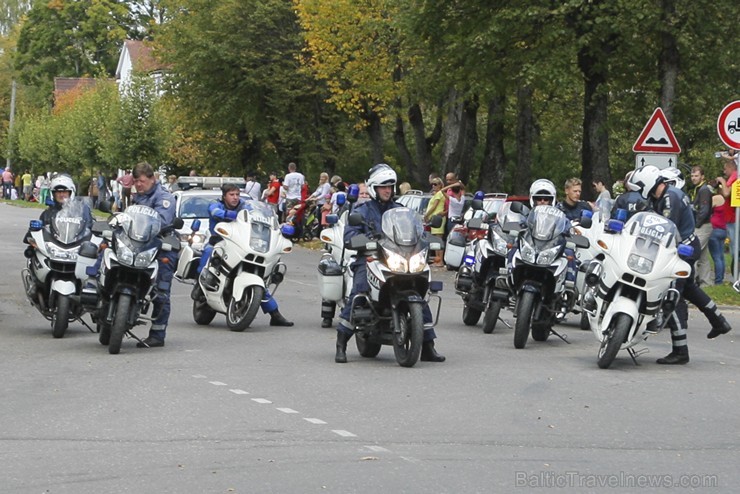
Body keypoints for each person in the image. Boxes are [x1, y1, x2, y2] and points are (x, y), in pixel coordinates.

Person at [334, 163, 445, 364]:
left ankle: (428, 346)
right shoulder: (363, 210)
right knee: (359, 292)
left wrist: (425, 239)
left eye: (390, 186)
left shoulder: (400, 210)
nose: (388, 190)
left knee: (420, 295)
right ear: (374, 188)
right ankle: (341, 343)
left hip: (400, 259)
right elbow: (350, 233)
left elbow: (416, 230)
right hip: (370, 258)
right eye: (383, 186)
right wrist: (361, 240)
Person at [627, 165, 732, 365]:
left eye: (640, 187)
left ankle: (680, 350)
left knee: (672, 294)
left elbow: (664, 227)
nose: (640, 192)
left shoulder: (670, 198)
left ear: (648, 183)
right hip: (680, 246)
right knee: (689, 288)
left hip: (681, 248)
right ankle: (718, 320)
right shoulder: (661, 196)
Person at [196, 184, 293, 327]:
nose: (235, 197)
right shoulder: (216, 204)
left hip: (241, 243)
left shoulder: (245, 206)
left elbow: (260, 217)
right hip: (220, 239)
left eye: (237, 194)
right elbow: (214, 211)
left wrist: (278, 226)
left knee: (262, 279)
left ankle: (275, 313)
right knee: (209, 252)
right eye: (231, 194)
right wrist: (226, 214)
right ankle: (199, 286)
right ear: (224, 196)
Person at [129, 162, 179, 348]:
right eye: (136, 181)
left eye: (142, 181)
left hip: (162, 243)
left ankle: (158, 334)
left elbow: (162, 221)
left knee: (161, 290)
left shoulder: (164, 197)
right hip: (140, 244)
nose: (139, 185)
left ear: (152, 179)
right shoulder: (138, 197)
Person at [689, 166, 713, 286]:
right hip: (703, 224)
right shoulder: (699, 188)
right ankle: (706, 282)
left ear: (702, 177)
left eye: (696, 176)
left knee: (693, 253)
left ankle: (690, 282)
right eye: (692, 176)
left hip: (702, 225)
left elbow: (704, 210)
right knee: (703, 257)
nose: (693, 178)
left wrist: (696, 224)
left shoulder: (703, 190)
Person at [424, 177, 446, 266]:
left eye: (436, 184)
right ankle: (437, 260)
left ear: (440, 185)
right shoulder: (437, 194)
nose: (433, 186)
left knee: (438, 239)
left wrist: (426, 215)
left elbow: (434, 206)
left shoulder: (439, 194)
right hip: (434, 218)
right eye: (432, 184)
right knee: (435, 240)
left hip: (438, 219)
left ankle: (440, 260)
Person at [708, 181, 727, 285]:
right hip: (723, 229)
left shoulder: (716, 198)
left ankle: (718, 280)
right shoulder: (726, 200)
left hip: (714, 229)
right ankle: (721, 278)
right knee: (721, 256)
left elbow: (706, 206)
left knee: (716, 257)